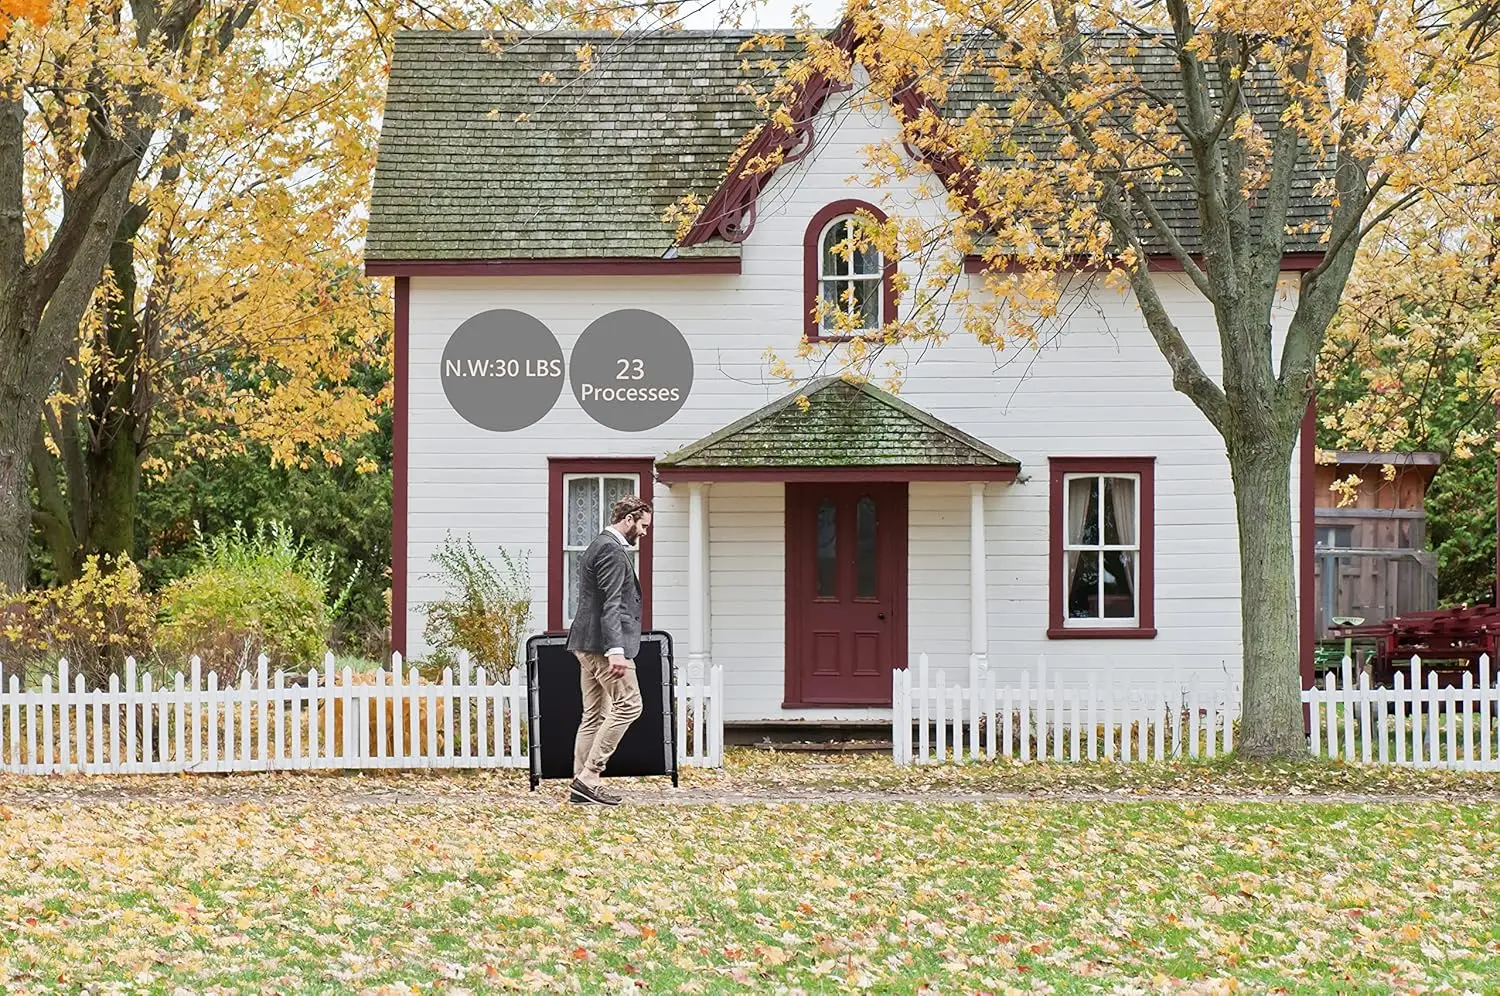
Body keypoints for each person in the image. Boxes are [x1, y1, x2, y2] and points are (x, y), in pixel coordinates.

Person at [564, 495, 651, 805]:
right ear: (628, 519)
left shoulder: (599, 545)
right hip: (603, 644)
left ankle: (579, 783)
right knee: (630, 704)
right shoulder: (611, 551)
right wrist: (615, 650)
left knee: (595, 714)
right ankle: (589, 777)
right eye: (642, 526)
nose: (644, 532)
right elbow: (611, 603)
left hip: (586, 642)